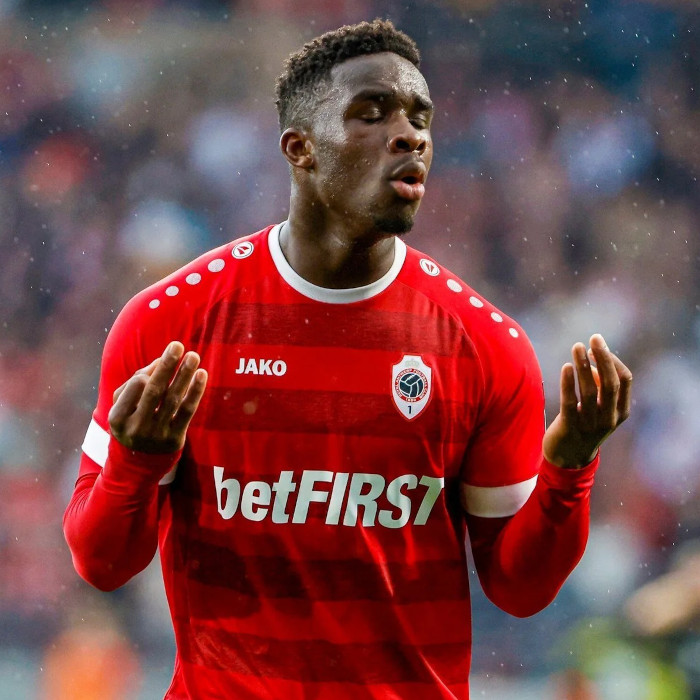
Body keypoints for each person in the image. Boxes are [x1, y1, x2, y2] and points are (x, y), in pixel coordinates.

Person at [63, 19, 633, 700]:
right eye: (372, 112)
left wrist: (568, 468)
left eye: (420, 117)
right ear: (300, 148)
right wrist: (135, 463)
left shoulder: (485, 346)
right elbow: (101, 563)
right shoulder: (171, 323)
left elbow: (519, 588)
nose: (410, 135)